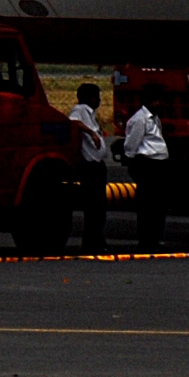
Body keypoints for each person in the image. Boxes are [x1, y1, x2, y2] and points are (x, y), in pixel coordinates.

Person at [117, 85, 170, 251]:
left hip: (159, 163)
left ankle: (155, 238)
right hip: (148, 163)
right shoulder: (140, 119)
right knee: (147, 204)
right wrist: (131, 159)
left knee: (158, 205)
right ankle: (146, 239)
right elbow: (132, 143)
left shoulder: (154, 119)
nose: (160, 103)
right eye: (157, 100)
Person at [67, 83, 108, 253]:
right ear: (91, 98)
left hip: (97, 164)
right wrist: (91, 133)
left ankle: (96, 239)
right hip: (90, 166)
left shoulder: (89, 114)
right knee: (94, 206)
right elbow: (73, 122)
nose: (99, 100)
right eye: (97, 97)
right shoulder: (81, 110)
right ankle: (92, 241)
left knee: (98, 207)